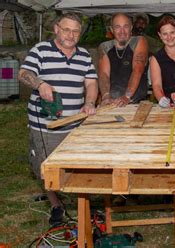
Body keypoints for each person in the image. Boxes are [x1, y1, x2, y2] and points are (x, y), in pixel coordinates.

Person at [18, 12, 98, 227]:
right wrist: (40, 84)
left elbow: (91, 83)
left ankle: (82, 205)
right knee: (46, 169)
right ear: (56, 29)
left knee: (78, 168)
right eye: (66, 29)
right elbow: (23, 73)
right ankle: (56, 205)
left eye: (75, 31)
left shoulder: (84, 55)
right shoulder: (40, 50)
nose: (70, 35)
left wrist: (90, 102)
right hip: (45, 126)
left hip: (74, 125)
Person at [98, 13, 148, 107]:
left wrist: (127, 96)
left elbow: (137, 70)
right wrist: (105, 96)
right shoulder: (104, 47)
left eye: (126, 26)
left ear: (131, 28)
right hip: (112, 102)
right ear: (112, 30)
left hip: (135, 103)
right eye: (117, 27)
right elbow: (104, 74)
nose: (122, 31)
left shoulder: (139, 41)